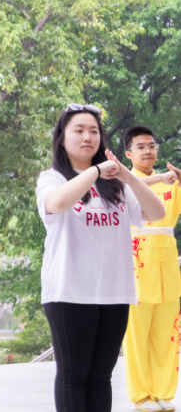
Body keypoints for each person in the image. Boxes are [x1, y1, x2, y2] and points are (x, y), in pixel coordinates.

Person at [36, 104, 166, 412]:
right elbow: (56, 203)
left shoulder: (115, 184)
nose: (87, 137)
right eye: (79, 130)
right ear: (62, 138)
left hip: (114, 292)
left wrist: (127, 176)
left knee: (100, 378)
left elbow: (156, 212)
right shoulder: (52, 178)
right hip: (69, 291)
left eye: (94, 131)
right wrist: (94, 171)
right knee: (73, 375)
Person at [120, 126, 181, 412]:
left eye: (152, 146)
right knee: (136, 336)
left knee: (167, 333)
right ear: (128, 154)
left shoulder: (172, 182)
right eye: (141, 147)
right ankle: (142, 396)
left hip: (167, 266)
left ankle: (163, 392)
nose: (148, 151)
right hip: (136, 266)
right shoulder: (123, 183)